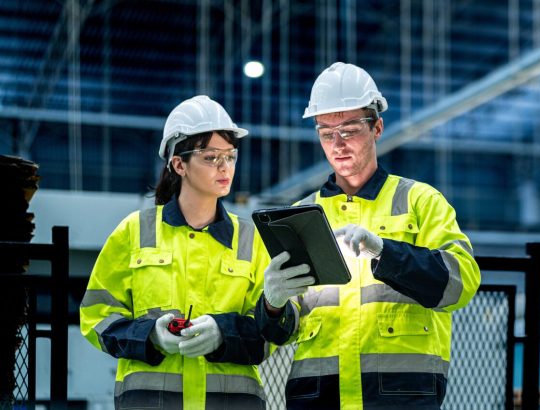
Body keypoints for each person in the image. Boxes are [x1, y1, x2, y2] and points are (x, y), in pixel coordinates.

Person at [255, 62, 481, 409]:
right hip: (319, 398)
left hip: (399, 397)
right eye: (326, 132)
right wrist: (272, 305)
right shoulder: (300, 215)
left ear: (377, 127)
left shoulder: (420, 201)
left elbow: (460, 283)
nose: (338, 143)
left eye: (349, 129)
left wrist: (386, 252)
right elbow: (280, 334)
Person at [80, 95, 272, 409]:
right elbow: (96, 318)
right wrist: (150, 336)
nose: (225, 167)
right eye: (210, 157)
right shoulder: (135, 231)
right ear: (179, 164)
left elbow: (269, 333)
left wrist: (224, 334)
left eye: (230, 156)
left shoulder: (251, 238)